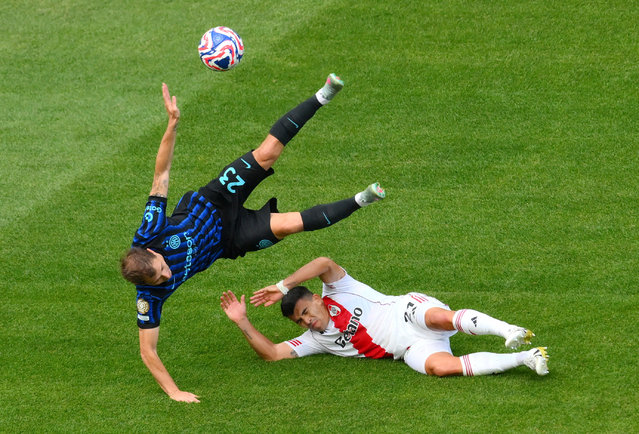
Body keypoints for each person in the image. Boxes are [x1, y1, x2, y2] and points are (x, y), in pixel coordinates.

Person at [121, 75, 386, 402]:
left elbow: (160, 175)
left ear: (151, 251)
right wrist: (174, 392)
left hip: (214, 198)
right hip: (229, 240)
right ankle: (363, 199)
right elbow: (148, 350)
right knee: (290, 224)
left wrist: (172, 124)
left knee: (267, 153)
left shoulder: (150, 231)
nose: (168, 275)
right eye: (162, 279)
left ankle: (322, 95)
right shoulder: (149, 296)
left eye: (162, 268)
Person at [221, 257, 550, 377]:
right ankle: (525, 357)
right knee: (439, 367)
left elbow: (323, 262)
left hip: (407, 313)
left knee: (438, 318)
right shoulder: (317, 340)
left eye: (305, 312)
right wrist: (242, 321)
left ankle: (508, 330)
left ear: (316, 300)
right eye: (300, 321)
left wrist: (284, 285)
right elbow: (274, 354)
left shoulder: (339, 289)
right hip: (407, 349)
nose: (306, 322)